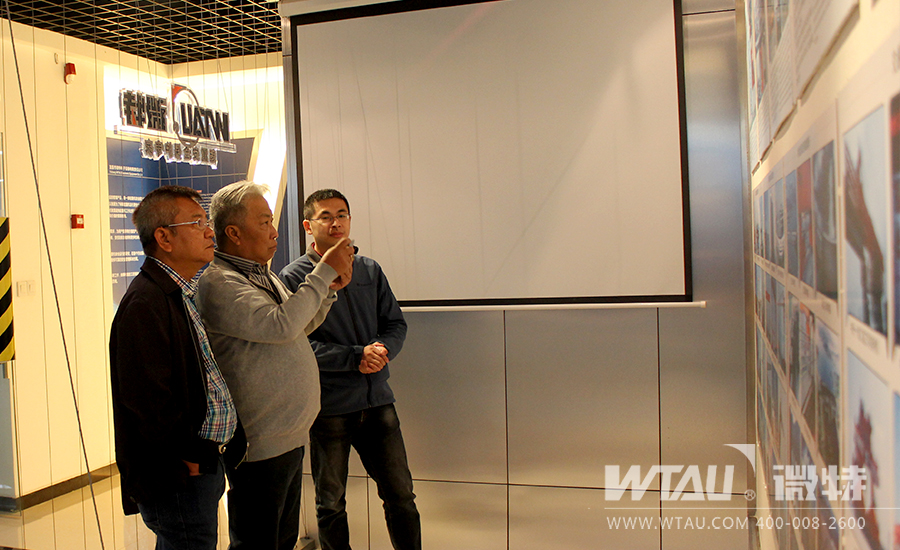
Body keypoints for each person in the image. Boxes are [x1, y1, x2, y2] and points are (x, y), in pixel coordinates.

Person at [196, 181, 354, 550]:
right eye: (265, 222)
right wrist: (322, 273)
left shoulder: (259, 272)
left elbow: (298, 325)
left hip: (288, 434)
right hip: (259, 441)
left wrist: (328, 290)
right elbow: (279, 325)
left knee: (281, 539)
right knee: (258, 541)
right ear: (233, 233)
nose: (274, 231)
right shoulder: (219, 281)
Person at [279, 189, 421, 550]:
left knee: (401, 496)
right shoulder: (295, 276)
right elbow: (295, 344)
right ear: (309, 226)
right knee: (330, 503)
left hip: (378, 401)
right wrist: (355, 356)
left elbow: (395, 324)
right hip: (330, 406)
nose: (336, 223)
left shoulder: (369, 269)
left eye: (342, 214)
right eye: (326, 216)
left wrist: (382, 351)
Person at [109, 185, 244, 549]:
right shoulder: (145, 302)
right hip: (180, 474)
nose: (209, 232)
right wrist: (189, 455)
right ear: (164, 238)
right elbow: (147, 400)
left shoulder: (178, 292)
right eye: (197, 223)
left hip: (200, 465)